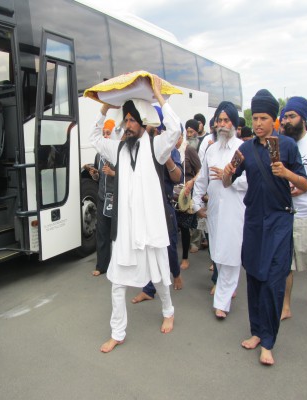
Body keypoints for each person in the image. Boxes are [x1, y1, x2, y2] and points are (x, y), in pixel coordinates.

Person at [89, 77, 181, 353]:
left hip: (150, 228)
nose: (128, 125)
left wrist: (159, 97)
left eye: (132, 120)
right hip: (126, 231)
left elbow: (174, 130)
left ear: (143, 122)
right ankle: (117, 333)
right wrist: (105, 109)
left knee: (160, 277)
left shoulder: (156, 146)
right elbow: (94, 138)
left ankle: (168, 311)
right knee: (117, 283)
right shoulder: (117, 148)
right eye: (126, 120)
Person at [223, 89, 307, 365]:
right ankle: (257, 332)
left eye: (263, 118)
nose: (258, 123)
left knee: (273, 280)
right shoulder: (245, 149)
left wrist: (287, 173)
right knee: (255, 277)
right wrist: (226, 174)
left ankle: (268, 342)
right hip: (253, 220)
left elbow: (305, 183)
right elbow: (227, 181)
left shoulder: (288, 146)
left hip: (279, 221)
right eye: (255, 118)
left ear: (274, 120)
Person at [193, 101, 247, 319]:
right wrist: (197, 204)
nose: (222, 124)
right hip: (214, 209)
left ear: (234, 123)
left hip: (236, 209)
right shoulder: (211, 149)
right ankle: (226, 288)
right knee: (217, 252)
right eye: (219, 120)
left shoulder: (242, 149)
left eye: (226, 120)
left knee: (231, 253)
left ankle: (222, 302)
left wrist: (229, 177)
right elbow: (202, 179)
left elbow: (250, 181)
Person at [131, 107, 184, 302]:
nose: (145, 126)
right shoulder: (138, 148)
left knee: (168, 247)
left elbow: (178, 178)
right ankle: (148, 289)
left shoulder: (169, 148)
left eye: (148, 122)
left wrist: (166, 157)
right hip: (145, 207)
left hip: (164, 206)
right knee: (147, 248)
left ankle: (175, 273)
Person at [279, 97, 307, 318]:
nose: (286, 121)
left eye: (291, 116)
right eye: (285, 116)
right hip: (286, 213)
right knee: (286, 264)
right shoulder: (283, 145)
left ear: (303, 119)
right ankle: (286, 307)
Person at [90, 119, 116, 276]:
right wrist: (95, 174)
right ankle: (101, 266)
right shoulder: (98, 155)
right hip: (102, 197)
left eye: (108, 133)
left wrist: (113, 173)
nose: (105, 136)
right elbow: (99, 177)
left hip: (115, 199)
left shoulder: (118, 153)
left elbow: (129, 176)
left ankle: (117, 265)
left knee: (116, 234)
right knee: (101, 232)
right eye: (104, 133)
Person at [175, 130, 201, 270]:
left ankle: (185, 258)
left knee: (184, 228)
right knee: (172, 227)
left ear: (181, 136)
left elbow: (200, 171)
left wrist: (191, 182)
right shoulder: (169, 150)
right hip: (173, 193)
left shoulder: (189, 150)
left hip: (186, 193)